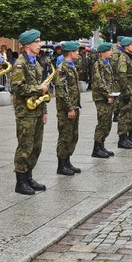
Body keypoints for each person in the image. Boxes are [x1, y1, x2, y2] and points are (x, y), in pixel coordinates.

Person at [11, 29, 49, 194]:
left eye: (39, 41)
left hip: (37, 110)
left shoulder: (36, 63)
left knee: (36, 147)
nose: (40, 44)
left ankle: (29, 176)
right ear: (27, 44)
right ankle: (20, 181)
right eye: (37, 42)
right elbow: (17, 88)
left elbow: (43, 91)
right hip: (25, 112)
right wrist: (39, 89)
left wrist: (44, 110)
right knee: (25, 147)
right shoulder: (20, 64)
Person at [55, 41, 82, 175]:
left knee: (73, 136)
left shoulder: (71, 66)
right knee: (65, 136)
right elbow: (62, 91)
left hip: (73, 106)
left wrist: (77, 106)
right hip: (66, 109)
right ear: (70, 52)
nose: (78, 53)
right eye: (76, 51)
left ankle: (67, 161)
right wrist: (70, 108)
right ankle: (61, 165)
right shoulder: (62, 68)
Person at [91, 43, 117, 159]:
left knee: (107, 122)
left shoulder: (107, 63)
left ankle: (101, 145)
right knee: (102, 122)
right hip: (101, 98)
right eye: (109, 50)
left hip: (108, 97)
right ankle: (96, 148)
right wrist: (108, 95)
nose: (111, 52)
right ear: (102, 53)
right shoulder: (99, 65)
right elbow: (99, 82)